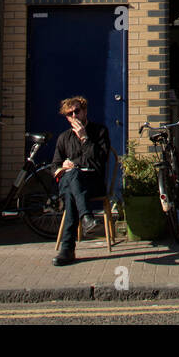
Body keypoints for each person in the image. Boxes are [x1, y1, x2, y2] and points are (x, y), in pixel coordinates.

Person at [51, 95, 112, 267]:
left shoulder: (99, 132)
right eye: (69, 114)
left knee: (72, 193)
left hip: (92, 182)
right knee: (72, 176)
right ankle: (86, 217)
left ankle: (67, 249)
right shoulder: (64, 138)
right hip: (69, 181)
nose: (74, 116)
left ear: (85, 111)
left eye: (77, 111)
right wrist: (63, 166)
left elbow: (100, 160)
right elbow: (53, 166)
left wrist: (85, 138)